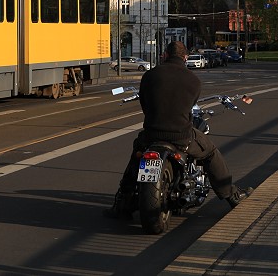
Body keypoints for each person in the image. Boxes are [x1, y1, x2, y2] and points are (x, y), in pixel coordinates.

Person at [105, 40, 252, 219]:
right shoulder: (193, 81)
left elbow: (145, 104)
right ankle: (231, 195)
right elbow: (190, 108)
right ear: (185, 58)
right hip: (181, 137)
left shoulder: (149, 76)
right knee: (211, 153)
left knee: (137, 154)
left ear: (165, 55)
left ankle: (122, 202)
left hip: (151, 134)